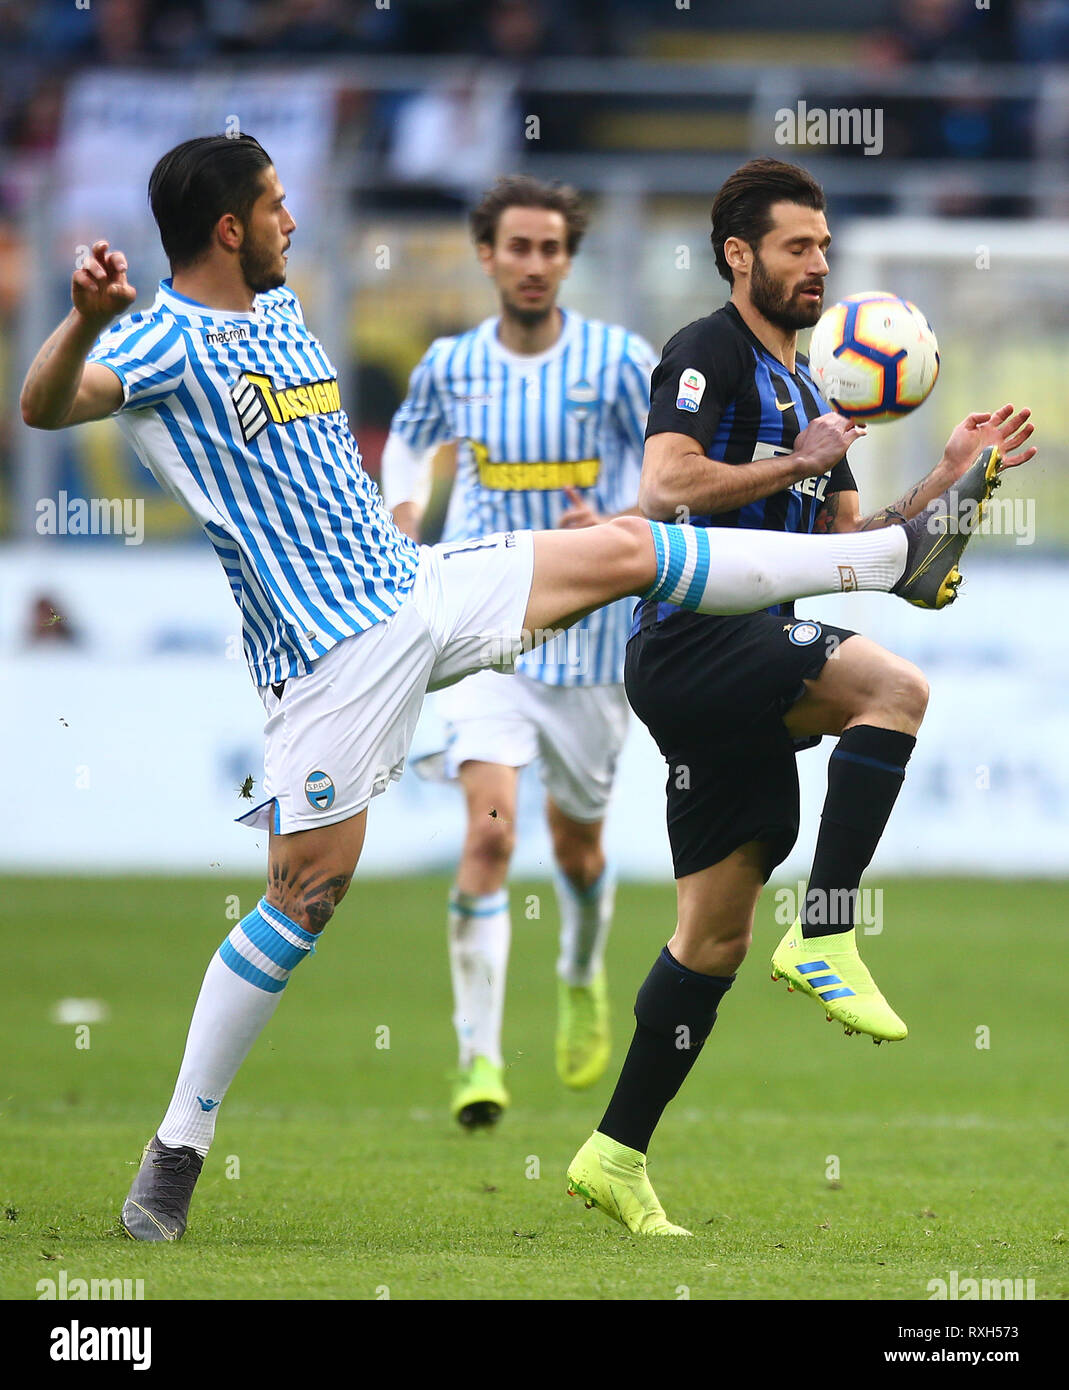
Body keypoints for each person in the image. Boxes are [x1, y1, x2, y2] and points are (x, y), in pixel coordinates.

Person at [20, 135, 997, 1242]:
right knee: (305, 896)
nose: (295, 220)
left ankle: (886, 561)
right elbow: (47, 406)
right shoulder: (158, 340)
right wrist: (88, 319)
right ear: (231, 228)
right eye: (278, 206)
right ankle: (176, 1153)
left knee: (629, 547)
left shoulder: (281, 311)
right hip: (329, 649)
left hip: (418, 585)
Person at [566, 157, 1035, 1237]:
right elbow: (666, 486)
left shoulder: (812, 387)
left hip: (751, 649)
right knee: (893, 688)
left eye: (823, 246)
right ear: (739, 255)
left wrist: (954, 480)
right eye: (795, 246)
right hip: (694, 638)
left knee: (711, 937)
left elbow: (881, 558)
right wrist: (795, 461)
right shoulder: (707, 351)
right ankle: (826, 931)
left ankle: (613, 1154)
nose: (816, 263)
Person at [383, 175, 656, 1123]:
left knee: (577, 851)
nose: (534, 264)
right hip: (486, 635)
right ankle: (477, 1062)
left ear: (567, 259)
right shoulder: (453, 365)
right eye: (518, 247)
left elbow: (673, 470)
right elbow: (409, 446)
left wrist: (618, 518)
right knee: (488, 835)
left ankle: (580, 971)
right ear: (488, 256)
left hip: (590, 649)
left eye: (550, 249)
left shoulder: (621, 362)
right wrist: (407, 523)